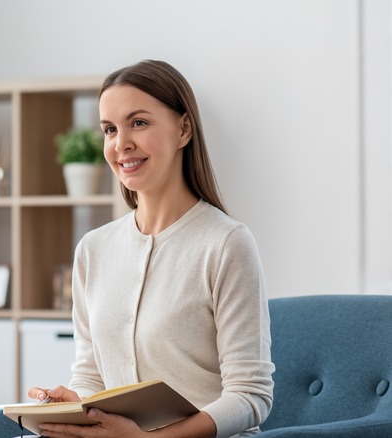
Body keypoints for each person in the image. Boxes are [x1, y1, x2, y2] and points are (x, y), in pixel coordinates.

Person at [28, 60, 274, 437]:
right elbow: (91, 373)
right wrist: (75, 409)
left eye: (138, 123)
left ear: (184, 129)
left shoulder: (226, 243)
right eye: (109, 129)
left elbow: (250, 396)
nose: (120, 143)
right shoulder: (93, 250)